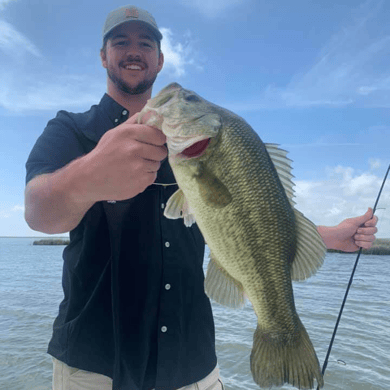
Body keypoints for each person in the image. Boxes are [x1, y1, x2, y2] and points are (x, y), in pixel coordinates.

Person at [24, 5, 378, 390]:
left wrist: (332, 236)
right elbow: (38, 213)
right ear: (103, 56)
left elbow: (248, 222)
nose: (133, 50)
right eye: (120, 42)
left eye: (145, 43)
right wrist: (91, 175)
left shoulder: (188, 147)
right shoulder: (71, 130)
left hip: (191, 363)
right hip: (93, 365)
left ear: (159, 60)